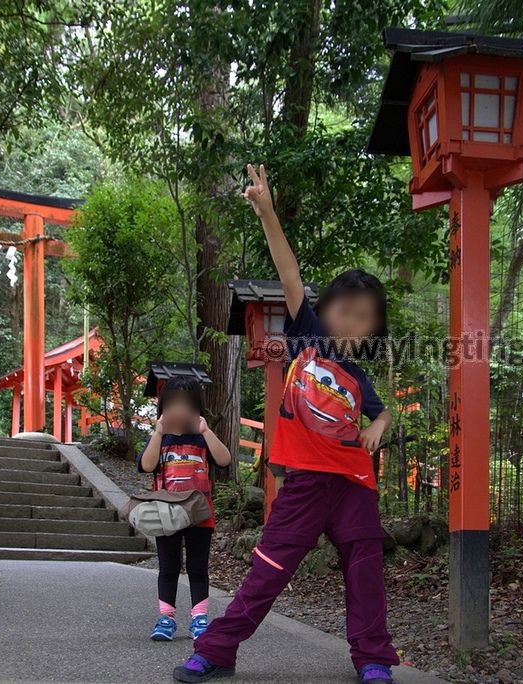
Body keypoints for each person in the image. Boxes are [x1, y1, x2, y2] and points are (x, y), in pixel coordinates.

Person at [173, 164, 399, 683]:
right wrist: (267, 211)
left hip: (354, 486)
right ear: (328, 311)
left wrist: (378, 424)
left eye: (363, 316)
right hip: (303, 485)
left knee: (365, 572)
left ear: (371, 329)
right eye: (344, 309)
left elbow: (380, 410)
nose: (350, 320)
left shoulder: (358, 377)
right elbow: (289, 271)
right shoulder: (307, 338)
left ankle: (372, 658)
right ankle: (219, 648)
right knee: (268, 571)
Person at [138, 376, 233, 642]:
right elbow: (147, 465)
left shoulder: (203, 439)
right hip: (166, 514)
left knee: (197, 567)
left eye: (186, 404)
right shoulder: (162, 439)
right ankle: (165, 618)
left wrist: (205, 431)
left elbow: (224, 459)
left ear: (197, 407)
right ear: (164, 407)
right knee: (168, 567)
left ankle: (200, 618)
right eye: (173, 404)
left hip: (199, 514)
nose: (180, 410)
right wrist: (157, 433)